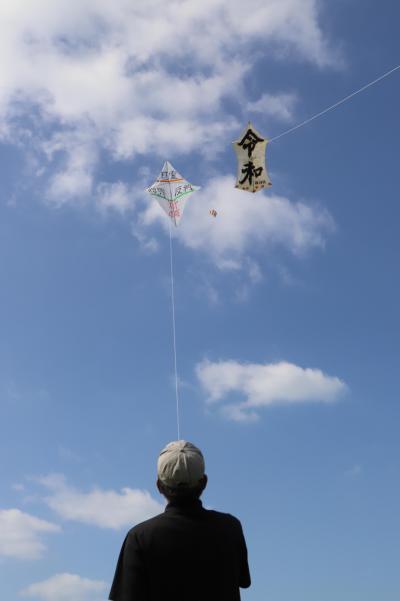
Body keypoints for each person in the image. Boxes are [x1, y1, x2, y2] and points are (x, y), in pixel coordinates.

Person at [109, 440, 251, 601]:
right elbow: (243, 581)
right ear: (204, 482)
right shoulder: (231, 528)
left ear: (159, 486)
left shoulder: (139, 537)